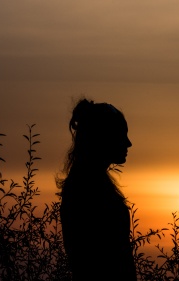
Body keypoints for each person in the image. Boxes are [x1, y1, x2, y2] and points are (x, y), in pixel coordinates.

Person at [58, 98, 136, 281]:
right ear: (103, 137)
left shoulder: (87, 183)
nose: (128, 143)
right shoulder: (86, 189)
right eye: (122, 135)